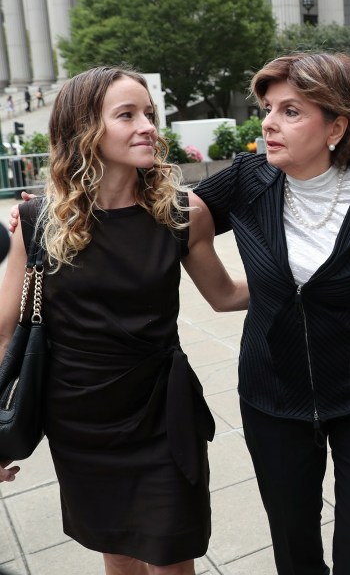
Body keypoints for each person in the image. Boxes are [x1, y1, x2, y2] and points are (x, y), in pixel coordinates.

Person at [0, 66, 248, 574]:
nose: (148, 126)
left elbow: (225, 296)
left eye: (149, 114)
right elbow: (4, 329)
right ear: (84, 129)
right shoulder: (38, 220)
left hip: (162, 414)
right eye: (127, 115)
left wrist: (313, 277)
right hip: (81, 420)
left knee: (173, 556)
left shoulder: (182, 212)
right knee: (118, 551)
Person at [193, 52, 350, 575]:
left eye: (291, 111)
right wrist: (47, 212)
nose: (269, 123)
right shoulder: (249, 179)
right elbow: (176, 216)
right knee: (295, 548)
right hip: (272, 395)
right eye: (268, 108)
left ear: (336, 126)